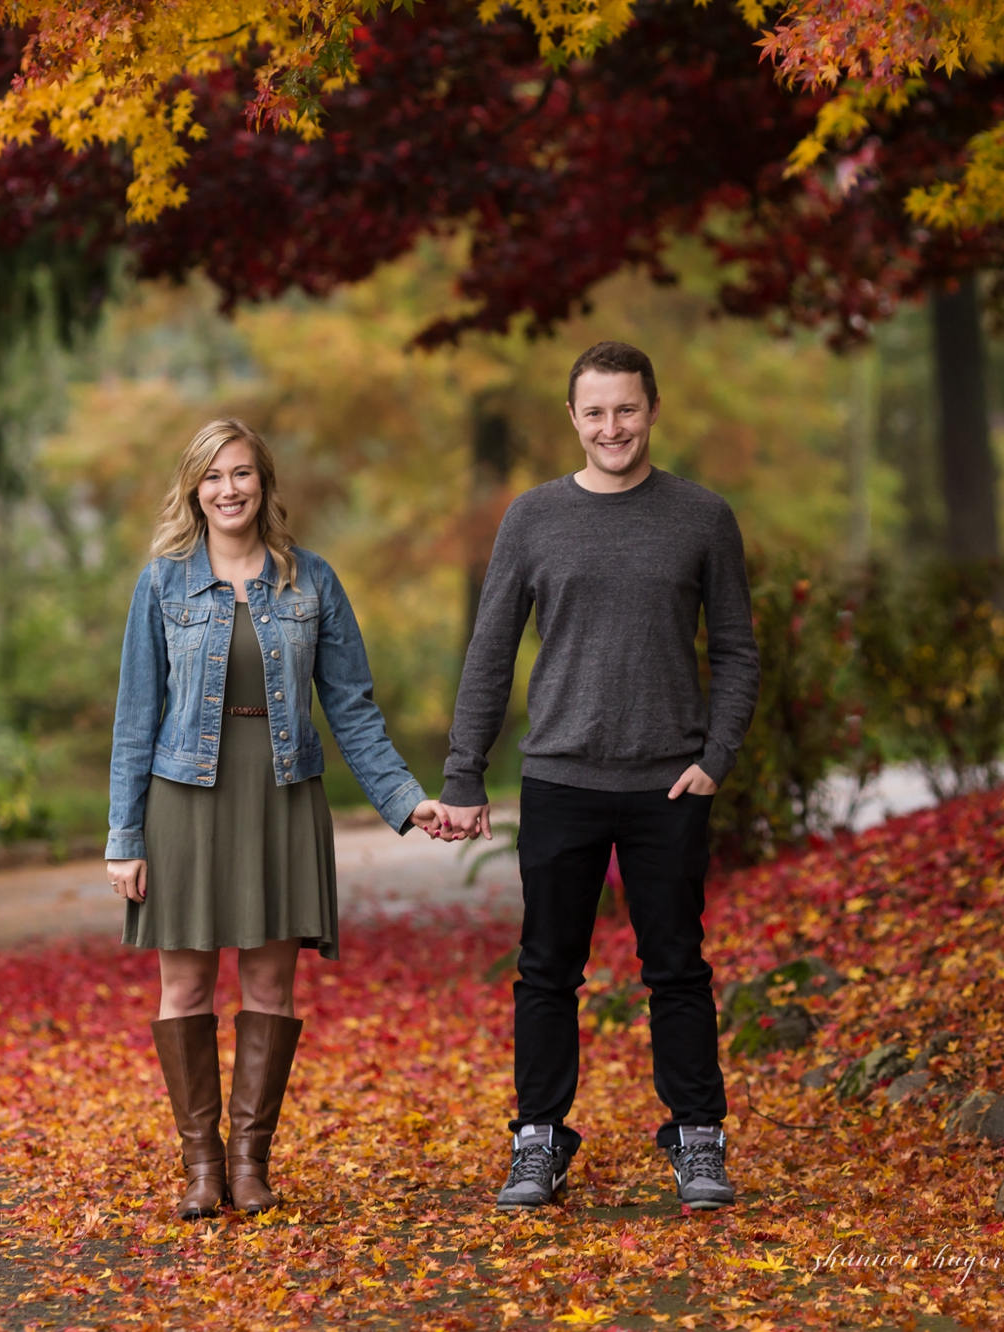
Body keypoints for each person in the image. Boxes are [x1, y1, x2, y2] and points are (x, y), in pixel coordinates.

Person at [438, 341, 760, 1211]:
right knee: (547, 970)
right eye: (595, 412)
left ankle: (698, 1140)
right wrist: (463, 777)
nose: (611, 427)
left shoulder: (702, 516)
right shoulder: (532, 518)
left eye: (626, 409)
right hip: (560, 782)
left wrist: (714, 761)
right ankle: (538, 1142)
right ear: (572, 419)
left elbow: (735, 650)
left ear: (652, 409)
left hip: (668, 785)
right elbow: (490, 653)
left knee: (678, 970)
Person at [107, 417, 448, 1220]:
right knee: (185, 983)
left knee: (268, 979)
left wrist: (406, 799)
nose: (229, 489)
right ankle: (200, 1167)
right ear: (194, 488)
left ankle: (249, 1161)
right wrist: (124, 837)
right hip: (183, 800)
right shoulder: (161, 584)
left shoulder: (312, 582)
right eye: (213, 476)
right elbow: (134, 716)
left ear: (264, 484)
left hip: (282, 791)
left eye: (243, 474)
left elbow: (354, 709)